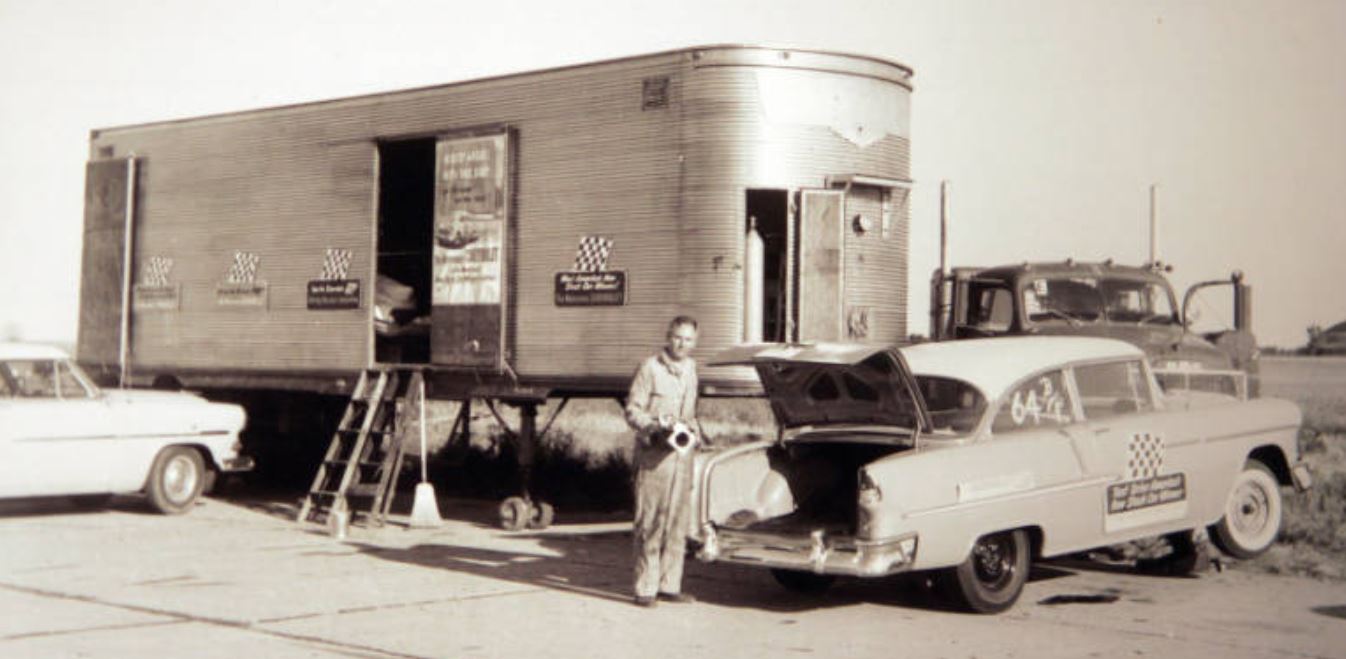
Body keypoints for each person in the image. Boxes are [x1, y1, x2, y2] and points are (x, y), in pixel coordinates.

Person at [624, 315, 702, 607]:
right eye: (678, 337)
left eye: (689, 339)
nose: (682, 344)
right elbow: (633, 410)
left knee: (677, 523)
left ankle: (670, 585)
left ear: (695, 342)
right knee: (650, 522)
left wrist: (693, 430)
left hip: (682, 457)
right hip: (655, 457)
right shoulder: (650, 368)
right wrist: (654, 425)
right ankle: (645, 588)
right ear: (668, 336)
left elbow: (692, 411)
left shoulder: (691, 369)